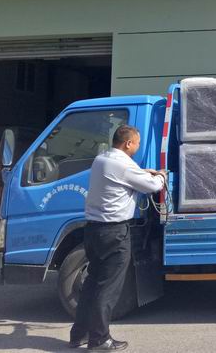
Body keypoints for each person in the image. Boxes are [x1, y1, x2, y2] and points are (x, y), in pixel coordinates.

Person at [69, 125, 166, 351]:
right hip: (114, 234)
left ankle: (79, 334)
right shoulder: (122, 165)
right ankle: (100, 339)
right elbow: (152, 186)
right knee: (108, 288)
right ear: (128, 143)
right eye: (137, 143)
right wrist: (161, 175)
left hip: (93, 231)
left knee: (92, 284)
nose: (138, 147)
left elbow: (128, 175)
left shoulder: (101, 159)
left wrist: (144, 172)